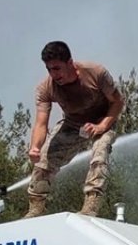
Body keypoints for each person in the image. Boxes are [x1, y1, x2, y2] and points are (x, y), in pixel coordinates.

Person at [24, 41, 125, 218]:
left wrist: (101, 126)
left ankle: (91, 204)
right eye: (49, 69)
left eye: (57, 68)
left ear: (70, 63)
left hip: (103, 120)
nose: (53, 74)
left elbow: (118, 102)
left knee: (99, 153)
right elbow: (41, 124)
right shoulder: (45, 88)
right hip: (73, 124)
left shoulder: (96, 73)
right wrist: (35, 147)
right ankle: (36, 208)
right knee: (43, 160)